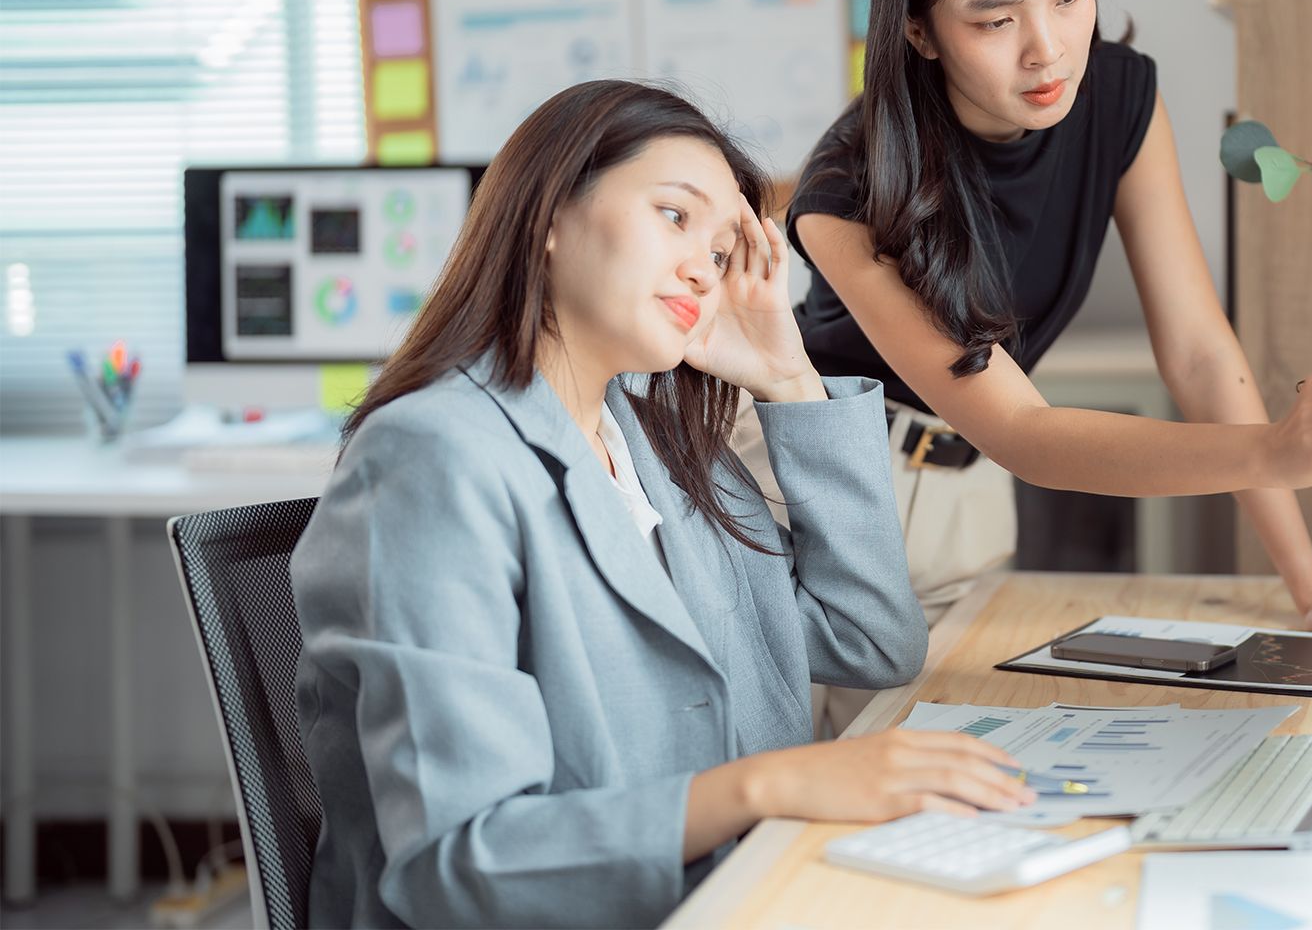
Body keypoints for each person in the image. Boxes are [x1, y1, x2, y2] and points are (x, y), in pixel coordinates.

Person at [292, 80, 1034, 929]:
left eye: (721, 253)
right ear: (548, 218)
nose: (700, 267)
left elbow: (873, 641)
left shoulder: (663, 450)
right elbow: (458, 868)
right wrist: (767, 785)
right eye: (675, 217)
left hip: (739, 898)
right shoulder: (432, 458)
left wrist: (791, 380)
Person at [736, 0, 1312, 732]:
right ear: (920, 31)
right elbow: (1022, 429)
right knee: (836, 787)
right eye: (994, 21)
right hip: (813, 499)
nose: (1048, 48)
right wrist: (1270, 450)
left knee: (955, 758)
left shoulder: (1116, 96)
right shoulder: (845, 192)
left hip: (967, 496)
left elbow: (1199, 350)